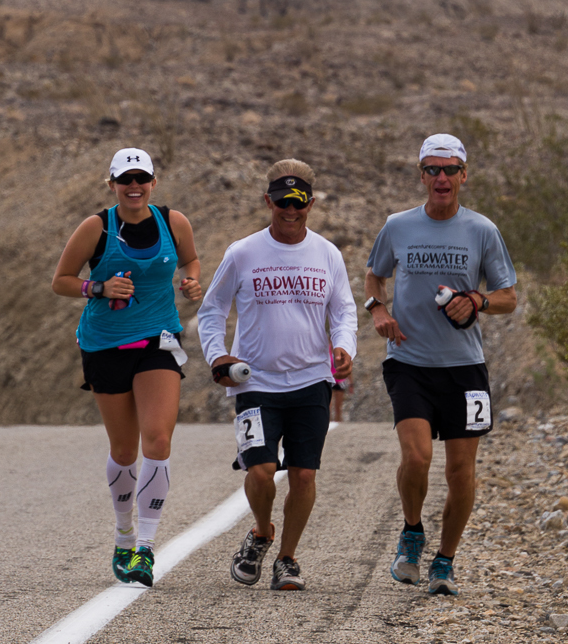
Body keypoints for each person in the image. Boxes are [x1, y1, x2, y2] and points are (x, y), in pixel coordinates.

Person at [364, 132, 517, 598]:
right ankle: (412, 532)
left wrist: (477, 300)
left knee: (460, 473)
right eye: (432, 169)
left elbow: (509, 297)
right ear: (422, 175)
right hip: (409, 362)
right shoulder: (398, 226)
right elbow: (375, 274)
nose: (441, 178)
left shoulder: (483, 231)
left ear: (464, 175)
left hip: (466, 367)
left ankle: (445, 561)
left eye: (450, 169)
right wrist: (378, 311)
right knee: (416, 456)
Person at [197, 160, 356, 592]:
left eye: (299, 202)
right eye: (282, 202)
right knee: (262, 470)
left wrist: (345, 348)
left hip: (311, 381)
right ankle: (262, 530)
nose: (291, 210)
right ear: (268, 201)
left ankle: (286, 558)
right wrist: (218, 358)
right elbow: (211, 312)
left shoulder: (327, 253)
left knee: (304, 475)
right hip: (255, 383)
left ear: (311, 202)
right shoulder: (243, 252)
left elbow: (343, 310)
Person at [51, 146, 201, 587]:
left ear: (153, 182)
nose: (133, 187)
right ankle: (123, 535)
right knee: (123, 450)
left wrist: (191, 279)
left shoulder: (174, 222)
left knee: (157, 438)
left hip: (158, 339)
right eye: (125, 180)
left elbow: (190, 259)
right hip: (105, 344)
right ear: (112, 184)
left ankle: (146, 550)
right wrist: (96, 286)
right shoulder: (96, 227)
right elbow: (60, 281)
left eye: (142, 179)